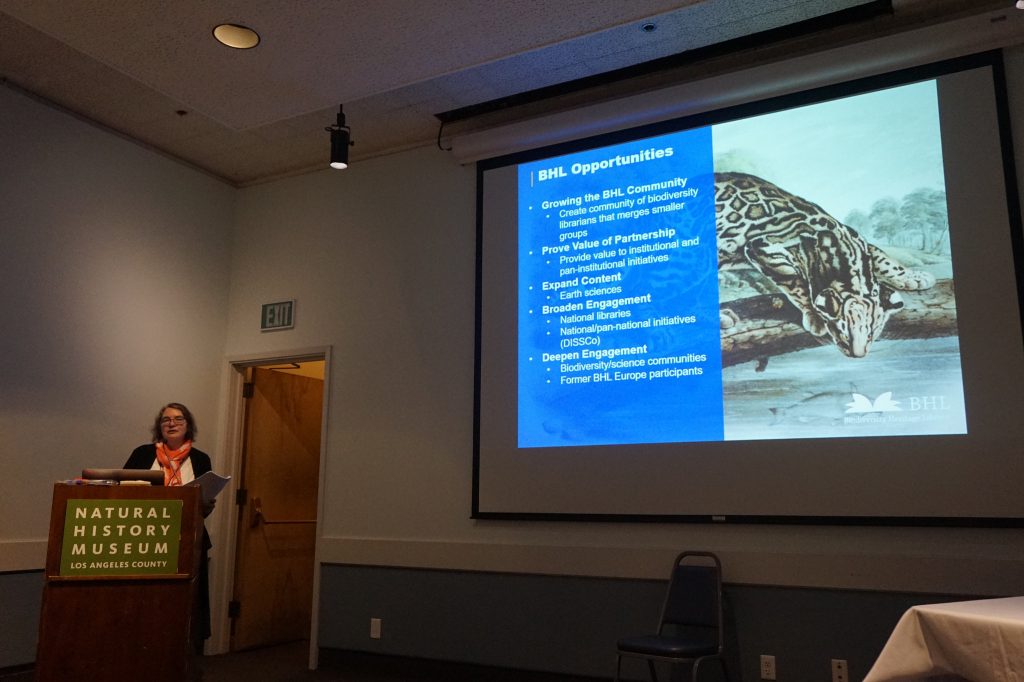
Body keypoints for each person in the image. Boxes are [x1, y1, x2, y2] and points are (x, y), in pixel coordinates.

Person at [125, 402, 214, 654]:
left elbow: (204, 502)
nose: (171, 423)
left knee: (184, 606)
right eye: (166, 420)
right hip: (145, 538)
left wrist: (207, 503)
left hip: (188, 539)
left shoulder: (200, 458)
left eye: (178, 419)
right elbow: (122, 488)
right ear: (159, 427)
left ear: (188, 426)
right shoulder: (143, 454)